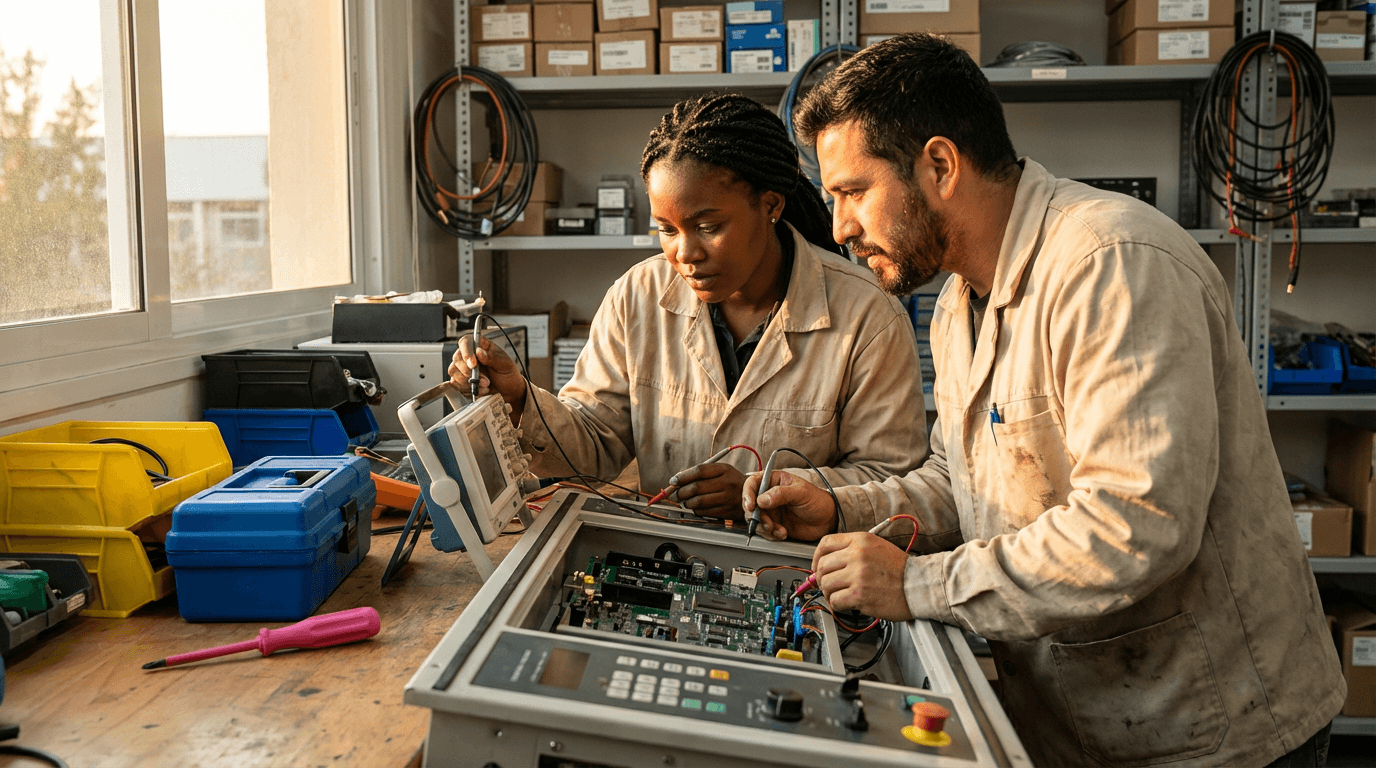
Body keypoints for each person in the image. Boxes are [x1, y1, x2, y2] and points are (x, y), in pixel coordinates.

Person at [742, 34, 1345, 767]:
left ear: (939, 165)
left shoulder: (1112, 265)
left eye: (852, 192)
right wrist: (843, 509)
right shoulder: (961, 299)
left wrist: (920, 584)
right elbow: (962, 480)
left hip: (1211, 734)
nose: (838, 228)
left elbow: (1136, 526)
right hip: (1076, 721)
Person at [450, 92, 927, 520]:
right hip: (667, 565)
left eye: (708, 226)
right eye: (668, 229)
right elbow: (594, 444)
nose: (685, 253)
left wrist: (760, 491)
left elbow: (892, 483)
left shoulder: (867, 316)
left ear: (771, 205)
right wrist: (519, 399)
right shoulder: (636, 297)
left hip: (803, 577)